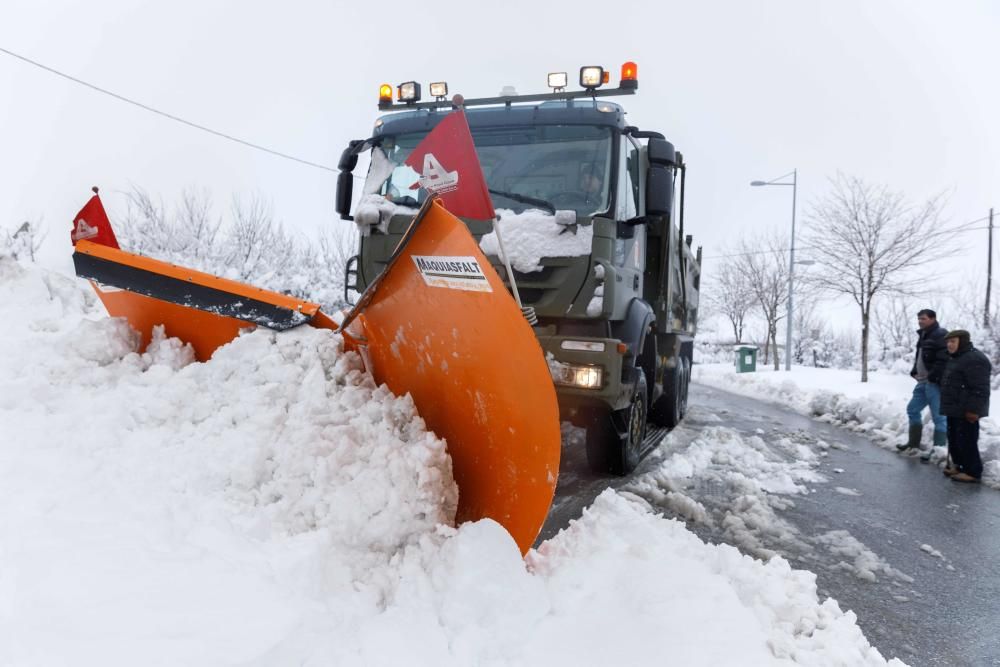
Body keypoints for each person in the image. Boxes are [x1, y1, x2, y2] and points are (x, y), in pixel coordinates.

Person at [939, 329, 991, 483]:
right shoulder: (957, 357)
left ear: (963, 341)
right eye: (948, 341)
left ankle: (973, 471)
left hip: (967, 409)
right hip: (955, 407)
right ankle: (960, 466)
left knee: (967, 440)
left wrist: (974, 410)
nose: (949, 344)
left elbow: (980, 388)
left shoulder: (974, 359)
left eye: (953, 341)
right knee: (955, 438)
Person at [897, 309, 949, 460]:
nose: (920, 321)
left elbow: (943, 359)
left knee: (939, 417)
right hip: (922, 381)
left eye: (924, 319)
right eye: (919, 319)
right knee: (912, 409)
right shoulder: (924, 335)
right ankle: (913, 444)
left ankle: (938, 450)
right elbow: (921, 356)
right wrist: (915, 370)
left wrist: (933, 376)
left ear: (933, 319)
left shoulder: (940, 334)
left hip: (933, 382)